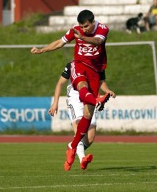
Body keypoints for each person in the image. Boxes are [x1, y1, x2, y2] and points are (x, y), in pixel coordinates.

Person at [31, 9, 111, 171]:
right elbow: (60, 42)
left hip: (94, 72)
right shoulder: (76, 30)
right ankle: (95, 100)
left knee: (88, 116)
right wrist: (42, 50)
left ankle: (73, 146)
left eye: (87, 26)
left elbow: (97, 41)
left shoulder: (103, 29)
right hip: (79, 66)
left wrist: (83, 37)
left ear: (93, 21)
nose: (84, 29)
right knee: (81, 85)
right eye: (82, 26)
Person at [48, 62, 116, 170]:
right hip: (75, 99)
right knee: (79, 127)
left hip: (90, 98)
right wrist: (55, 103)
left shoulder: (98, 64)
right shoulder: (72, 65)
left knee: (90, 138)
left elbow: (101, 81)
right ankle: (82, 159)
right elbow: (60, 83)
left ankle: (72, 147)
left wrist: (107, 91)